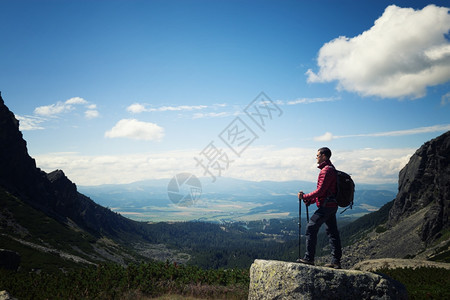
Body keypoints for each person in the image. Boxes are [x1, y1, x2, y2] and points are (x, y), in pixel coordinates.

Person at [297, 147, 342, 269]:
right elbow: (325, 191)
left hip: (326, 206)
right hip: (331, 205)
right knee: (332, 232)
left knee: (311, 227)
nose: (316, 158)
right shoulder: (330, 169)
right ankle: (336, 261)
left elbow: (321, 191)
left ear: (324, 156)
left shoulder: (326, 171)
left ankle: (309, 258)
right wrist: (310, 200)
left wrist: (305, 197)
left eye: (317, 155)